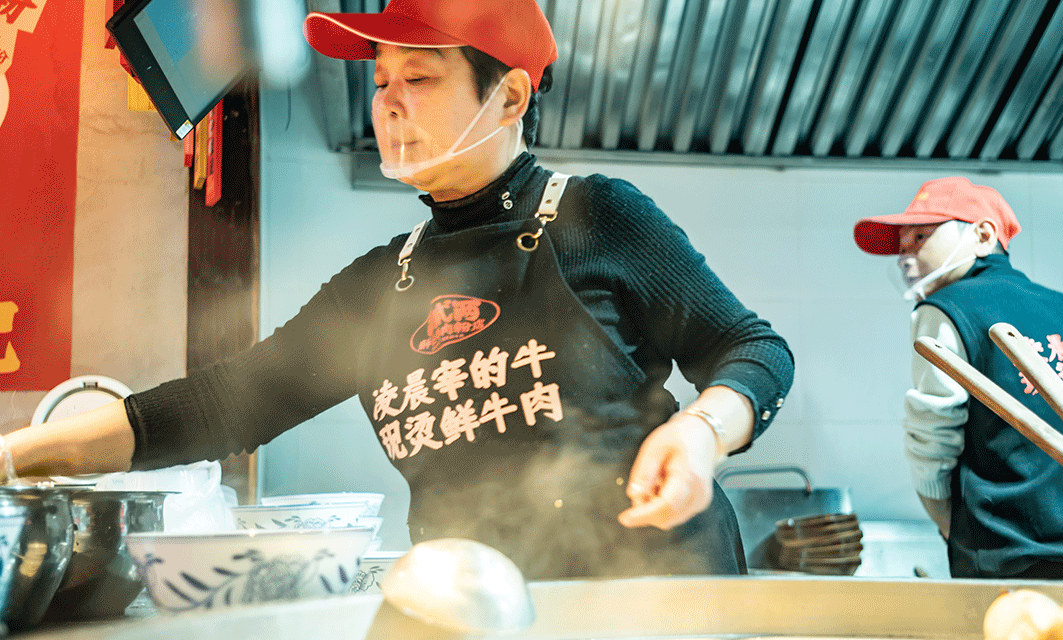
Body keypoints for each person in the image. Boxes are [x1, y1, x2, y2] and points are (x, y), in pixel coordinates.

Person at [1, 0, 793, 580]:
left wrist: (702, 433)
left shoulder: (598, 219)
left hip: (653, 599)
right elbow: (220, 404)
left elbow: (752, 349)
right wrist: (15, 456)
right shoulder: (378, 286)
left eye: (418, 75)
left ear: (509, 97)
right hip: (485, 614)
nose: (388, 101)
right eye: (381, 80)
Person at [854, 177, 1063, 580]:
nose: (906, 257)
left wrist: (953, 529)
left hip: (1014, 570)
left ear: (982, 235)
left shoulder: (944, 310)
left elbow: (930, 447)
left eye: (920, 236)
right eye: (902, 247)